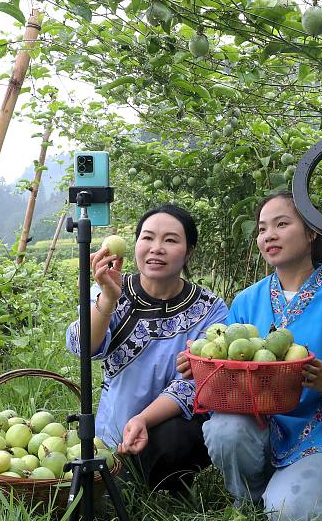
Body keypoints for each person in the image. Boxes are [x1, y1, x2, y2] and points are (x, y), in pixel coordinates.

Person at [184, 191, 322, 521]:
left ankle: (299, 490)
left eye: (281, 224)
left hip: (318, 432)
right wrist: (200, 364)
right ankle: (248, 497)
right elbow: (226, 376)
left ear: (311, 232)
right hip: (257, 428)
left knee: (289, 516)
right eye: (263, 228)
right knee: (225, 428)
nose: (269, 235)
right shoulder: (246, 300)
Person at [66, 204, 227, 495]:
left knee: (176, 439)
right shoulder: (112, 287)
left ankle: (169, 486)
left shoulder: (210, 309)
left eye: (170, 240)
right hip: (115, 429)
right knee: (107, 479)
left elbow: (192, 386)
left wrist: (143, 419)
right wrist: (108, 299)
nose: (156, 248)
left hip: (170, 426)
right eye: (148, 238)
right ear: (136, 243)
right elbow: (82, 346)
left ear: (189, 251)